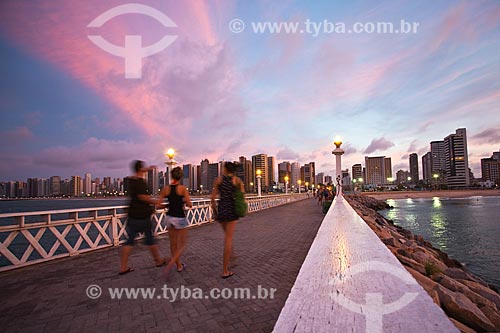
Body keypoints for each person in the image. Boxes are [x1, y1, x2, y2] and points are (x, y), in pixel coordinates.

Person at [119, 160, 166, 275]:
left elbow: (139, 171)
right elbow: (143, 197)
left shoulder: (131, 181)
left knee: (130, 241)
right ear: (140, 169)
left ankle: (123, 266)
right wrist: (156, 202)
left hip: (132, 214)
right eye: (143, 168)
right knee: (150, 239)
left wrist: (149, 168)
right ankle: (158, 261)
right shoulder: (140, 182)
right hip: (142, 215)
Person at [210, 162, 244, 279]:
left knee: (227, 236)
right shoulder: (237, 181)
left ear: (224, 169)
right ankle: (225, 270)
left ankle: (232, 257)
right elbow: (242, 196)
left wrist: (215, 212)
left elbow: (212, 199)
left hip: (222, 209)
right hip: (232, 210)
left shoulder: (218, 180)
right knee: (228, 239)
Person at [158, 167, 192, 276]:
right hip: (179, 218)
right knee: (182, 244)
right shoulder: (182, 188)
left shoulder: (166, 188)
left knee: (173, 244)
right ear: (181, 177)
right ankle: (171, 264)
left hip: (169, 217)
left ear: (171, 176)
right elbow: (189, 204)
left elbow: (158, 205)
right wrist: (182, 202)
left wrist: (168, 204)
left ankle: (179, 266)